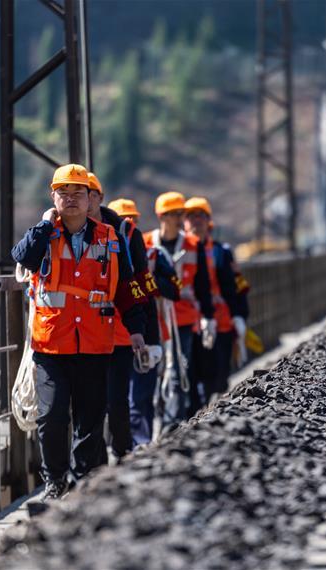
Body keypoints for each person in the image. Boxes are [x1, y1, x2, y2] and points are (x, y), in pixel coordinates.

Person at [11, 164, 147, 501]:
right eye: (63, 193)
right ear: (52, 197)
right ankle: (55, 481)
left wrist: (140, 332)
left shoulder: (110, 238)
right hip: (51, 345)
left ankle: (85, 483)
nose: (71, 199)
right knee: (52, 415)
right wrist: (45, 223)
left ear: (92, 200)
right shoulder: (42, 236)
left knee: (90, 418)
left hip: (94, 344)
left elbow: (128, 288)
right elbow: (23, 258)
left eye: (78, 193)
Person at [85, 176, 161, 462]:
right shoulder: (61, 230)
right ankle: (90, 464)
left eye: (88, 194)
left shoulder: (126, 235)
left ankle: (122, 451)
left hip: (118, 333)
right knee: (88, 404)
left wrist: (148, 335)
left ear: (99, 198)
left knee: (118, 402)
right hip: (80, 336)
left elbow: (140, 287)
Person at [107, 198, 180, 445]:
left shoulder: (152, 255)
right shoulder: (99, 250)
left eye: (134, 219)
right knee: (116, 398)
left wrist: (153, 339)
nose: (129, 223)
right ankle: (121, 445)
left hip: (143, 334)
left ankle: (139, 443)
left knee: (140, 395)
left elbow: (166, 292)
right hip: (107, 337)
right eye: (124, 219)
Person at [143, 191, 215, 431]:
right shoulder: (144, 243)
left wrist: (208, 317)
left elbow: (203, 285)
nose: (179, 218)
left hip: (183, 319)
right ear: (161, 216)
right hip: (151, 317)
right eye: (174, 214)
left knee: (178, 369)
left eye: (180, 214)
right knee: (154, 370)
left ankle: (172, 424)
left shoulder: (194, 245)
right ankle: (155, 419)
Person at [184, 197, 250, 400]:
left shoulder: (221, 252)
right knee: (191, 376)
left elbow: (237, 286)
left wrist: (240, 315)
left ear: (208, 220)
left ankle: (214, 413)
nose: (196, 221)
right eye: (191, 216)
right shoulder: (179, 251)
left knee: (219, 376)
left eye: (201, 216)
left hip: (221, 322)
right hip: (188, 321)